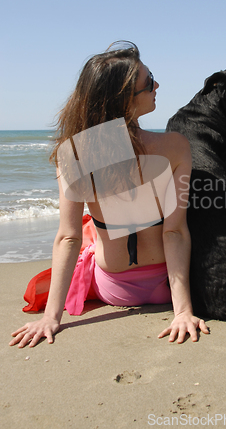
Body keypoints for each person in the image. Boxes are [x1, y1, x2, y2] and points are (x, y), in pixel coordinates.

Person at [9, 41, 209, 348]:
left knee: (90, 227)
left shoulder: (74, 153)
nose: (157, 85)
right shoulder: (175, 146)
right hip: (164, 288)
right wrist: (182, 311)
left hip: (114, 289)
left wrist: (51, 318)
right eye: (149, 81)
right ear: (123, 100)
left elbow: (67, 238)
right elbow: (175, 232)